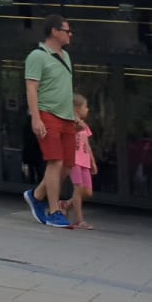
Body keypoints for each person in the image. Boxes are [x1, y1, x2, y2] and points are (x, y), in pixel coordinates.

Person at [22, 15, 76, 229]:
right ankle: (53, 211)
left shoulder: (66, 56)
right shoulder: (38, 56)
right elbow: (31, 88)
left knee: (68, 165)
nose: (70, 34)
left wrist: (75, 117)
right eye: (67, 30)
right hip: (48, 113)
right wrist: (36, 117)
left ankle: (36, 194)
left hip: (67, 117)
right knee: (55, 162)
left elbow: (65, 89)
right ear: (55, 31)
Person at [64, 93, 96, 229]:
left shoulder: (84, 126)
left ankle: (65, 205)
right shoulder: (71, 124)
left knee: (88, 192)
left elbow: (87, 145)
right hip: (74, 160)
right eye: (85, 107)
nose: (87, 109)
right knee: (78, 189)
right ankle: (79, 220)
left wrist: (92, 162)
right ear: (77, 109)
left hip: (84, 161)